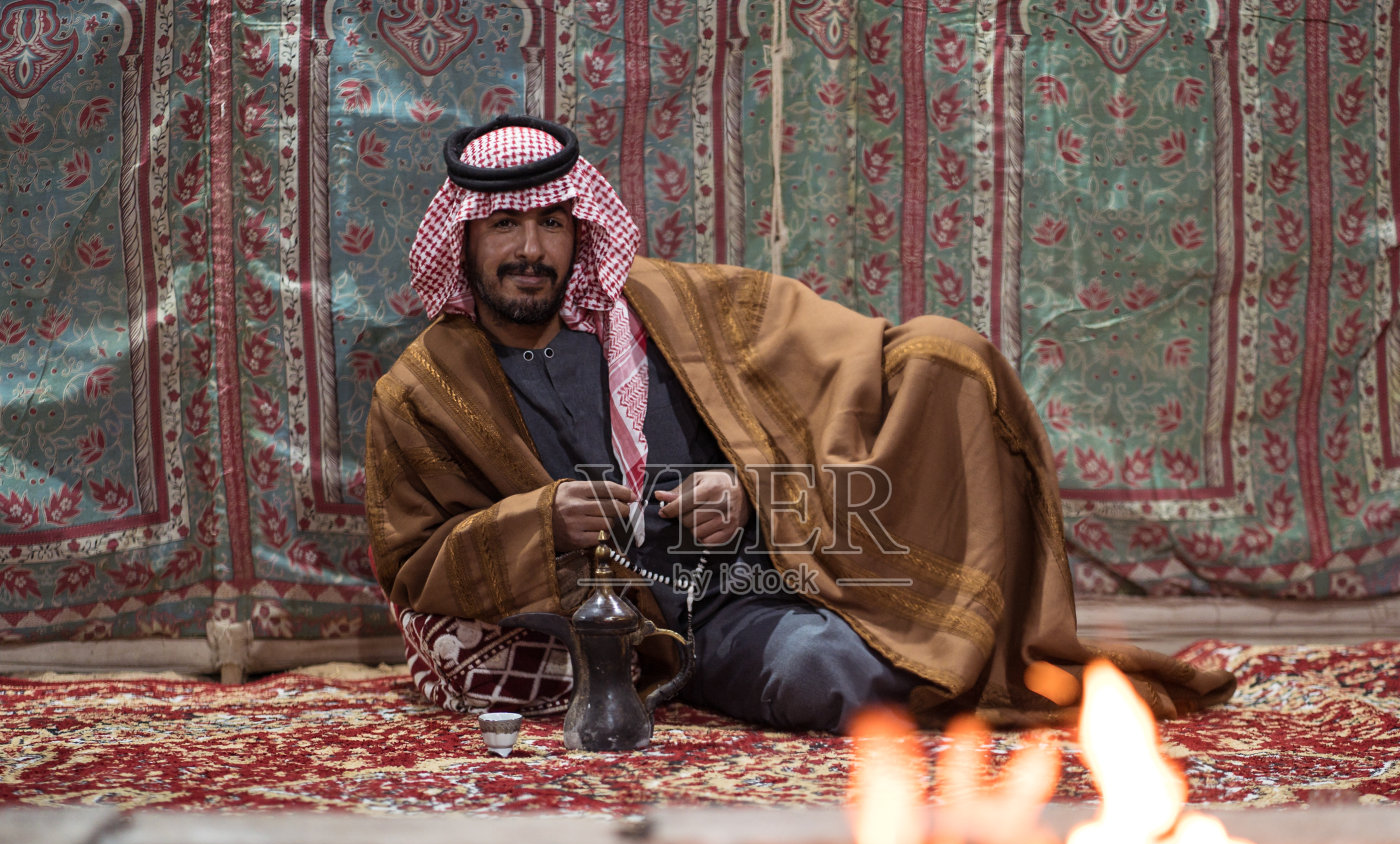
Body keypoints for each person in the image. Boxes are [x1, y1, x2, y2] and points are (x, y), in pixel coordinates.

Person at [365, 116, 1234, 732]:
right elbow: (410, 563)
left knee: (942, 357)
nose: (530, 248)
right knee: (834, 675)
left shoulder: (666, 307)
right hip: (636, 630)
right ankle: (708, 677)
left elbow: (830, 367)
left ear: (578, 229)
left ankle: (931, 635)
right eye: (505, 225)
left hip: (761, 579)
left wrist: (743, 493)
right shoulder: (424, 394)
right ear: (466, 240)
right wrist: (539, 521)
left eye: (551, 222)